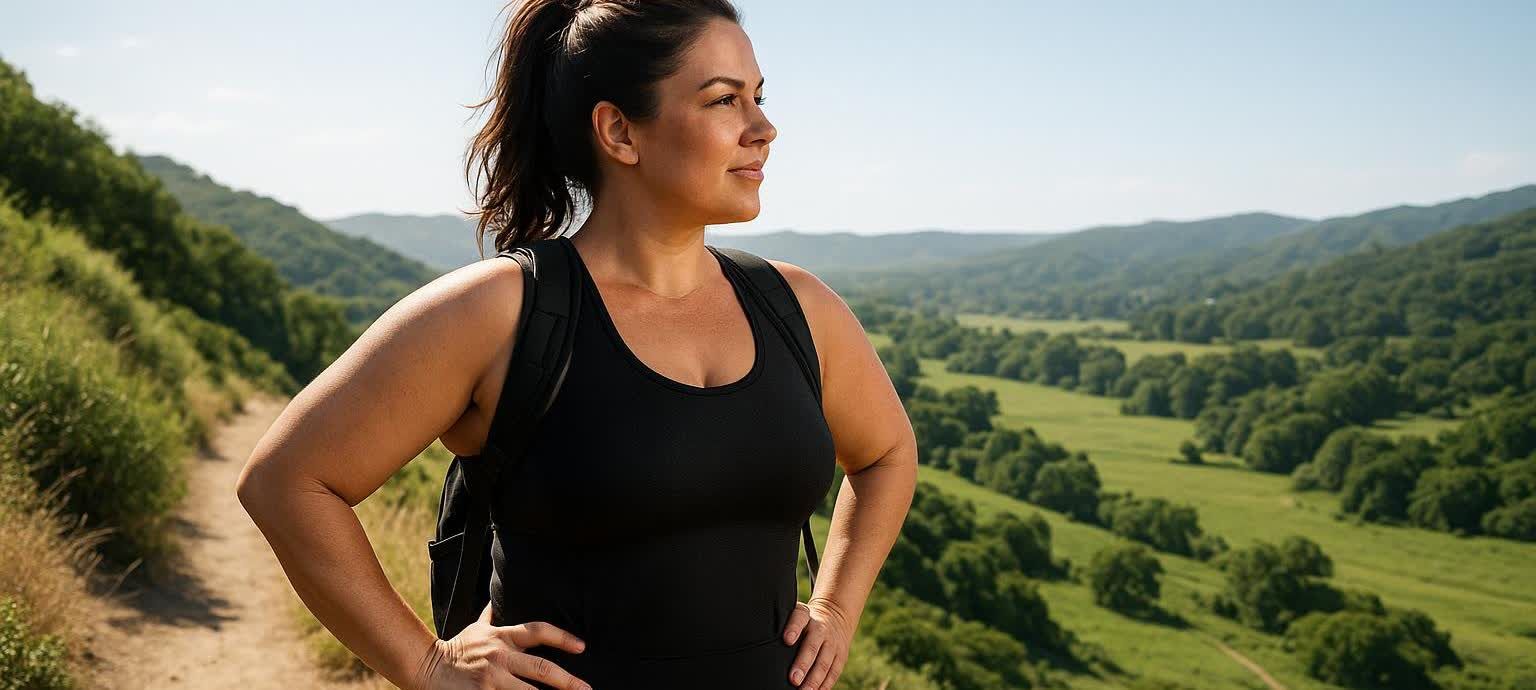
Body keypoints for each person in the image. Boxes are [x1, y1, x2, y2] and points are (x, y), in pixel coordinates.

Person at [235, 1, 917, 688]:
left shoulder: (796, 308)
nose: (764, 129)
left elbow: (888, 453)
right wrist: (427, 666)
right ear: (619, 131)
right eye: (724, 101)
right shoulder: (502, 312)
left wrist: (835, 605)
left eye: (758, 98)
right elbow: (287, 480)